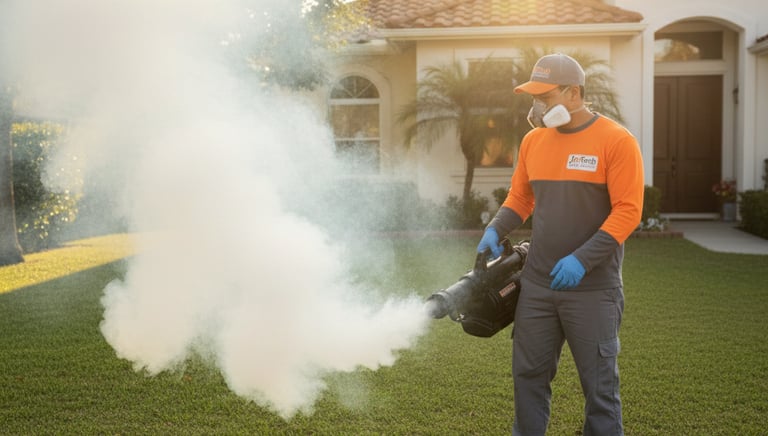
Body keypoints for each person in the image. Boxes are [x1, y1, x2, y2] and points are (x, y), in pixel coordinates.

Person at [477, 53, 644, 436]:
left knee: (600, 390)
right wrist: (496, 228)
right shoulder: (534, 141)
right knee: (528, 378)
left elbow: (628, 211)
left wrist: (582, 260)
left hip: (593, 289)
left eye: (545, 96)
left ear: (574, 93)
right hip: (535, 286)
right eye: (534, 97)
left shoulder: (616, 141)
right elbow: (521, 197)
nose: (537, 106)